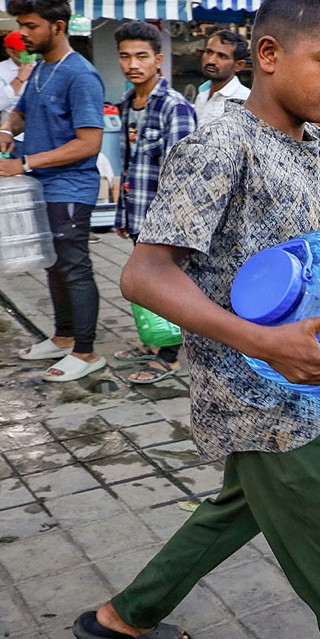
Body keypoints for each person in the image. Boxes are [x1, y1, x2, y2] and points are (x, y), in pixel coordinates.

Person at [70, 0, 320, 639]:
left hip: (307, 381)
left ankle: (124, 618)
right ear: (269, 53)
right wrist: (265, 342)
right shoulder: (221, 145)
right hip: (262, 397)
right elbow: (144, 274)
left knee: (237, 508)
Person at [0, 0, 107, 382]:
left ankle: (87, 353)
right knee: (53, 266)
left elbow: (89, 143)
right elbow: (19, 113)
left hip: (70, 189)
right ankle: (63, 338)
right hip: (42, 187)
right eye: (21, 26)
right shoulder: (39, 69)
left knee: (74, 268)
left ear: (58, 26)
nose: (24, 34)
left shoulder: (80, 75)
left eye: (32, 26)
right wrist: (5, 130)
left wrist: (24, 163)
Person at [109, 21, 197, 385]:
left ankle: (170, 357)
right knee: (145, 283)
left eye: (141, 56)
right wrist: (122, 212)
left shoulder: (174, 107)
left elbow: (183, 174)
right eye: (126, 56)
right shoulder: (128, 104)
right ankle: (152, 343)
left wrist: (172, 225)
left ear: (158, 60)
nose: (133, 64)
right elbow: (129, 166)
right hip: (138, 212)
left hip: (165, 220)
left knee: (165, 283)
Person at [192, 29, 251, 124]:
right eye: (209, 52)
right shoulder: (202, 95)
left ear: (238, 65)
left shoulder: (244, 101)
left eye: (222, 56)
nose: (211, 60)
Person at [0, 31, 35, 119]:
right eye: (24, 51)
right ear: (10, 51)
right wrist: (20, 79)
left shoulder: (42, 66)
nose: (29, 53)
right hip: (12, 124)